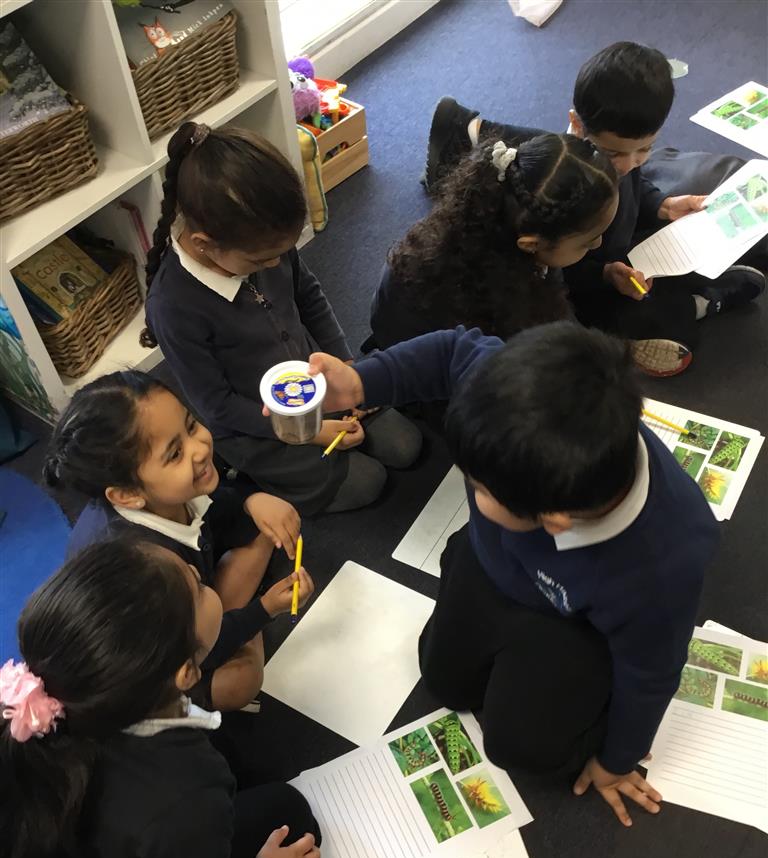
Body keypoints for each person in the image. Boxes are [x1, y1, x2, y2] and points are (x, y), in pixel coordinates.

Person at [303, 323, 720, 827]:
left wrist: (617, 760)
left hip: (573, 622)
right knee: (444, 681)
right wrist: (360, 382)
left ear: (555, 521)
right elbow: (452, 352)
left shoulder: (661, 566)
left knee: (520, 750)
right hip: (494, 562)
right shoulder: (514, 402)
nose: (467, 485)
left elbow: (652, 673)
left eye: (478, 487)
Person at [0, 540, 320, 858]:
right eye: (197, 585)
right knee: (289, 812)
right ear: (186, 673)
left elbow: (199, 645)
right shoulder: (184, 789)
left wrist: (259, 611)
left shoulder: (38, 708)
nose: (196, 567)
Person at [421, 42, 765, 375]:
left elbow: (637, 182)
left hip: (612, 248)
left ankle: (464, 127)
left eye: (645, 148)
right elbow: (561, 270)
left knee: (724, 217)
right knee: (666, 326)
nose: (629, 164)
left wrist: (661, 205)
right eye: (614, 153)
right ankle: (702, 301)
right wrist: (604, 274)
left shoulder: (619, 160)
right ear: (577, 124)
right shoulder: (566, 191)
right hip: (584, 275)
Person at [140, 121, 422, 516]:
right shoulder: (173, 307)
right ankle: (269, 477)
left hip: (311, 382)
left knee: (405, 446)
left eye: (280, 253)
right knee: (368, 482)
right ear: (204, 244)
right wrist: (310, 432)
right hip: (256, 424)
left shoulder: (259, 240)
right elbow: (219, 406)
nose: (274, 265)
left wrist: (347, 369)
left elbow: (309, 296)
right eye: (260, 260)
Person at [44, 371, 314, 713]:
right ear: (128, 494)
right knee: (241, 682)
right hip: (162, 665)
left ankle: (222, 612)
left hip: (189, 599)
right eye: (174, 454)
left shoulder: (170, 489)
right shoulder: (141, 567)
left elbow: (215, 506)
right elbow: (190, 656)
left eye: (191, 425)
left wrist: (251, 501)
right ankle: (227, 619)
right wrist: (265, 610)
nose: (200, 449)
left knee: (266, 523)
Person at [368, 132, 618, 350]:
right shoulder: (492, 309)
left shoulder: (499, 220)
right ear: (531, 244)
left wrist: (603, 273)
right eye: (587, 242)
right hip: (433, 373)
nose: (598, 244)